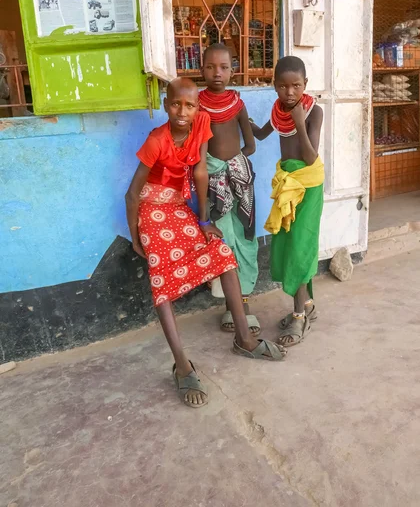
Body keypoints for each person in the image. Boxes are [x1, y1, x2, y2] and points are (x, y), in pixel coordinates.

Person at [126, 77, 286, 409]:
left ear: (198, 107)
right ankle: (182, 366)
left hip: (179, 208)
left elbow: (200, 173)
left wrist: (203, 221)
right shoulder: (157, 140)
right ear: (165, 105)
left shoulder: (200, 124)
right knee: (161, 280)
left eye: (189, 105)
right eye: (175, 104)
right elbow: (132, 192)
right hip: (152, 210)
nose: (182, 111)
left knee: (222, 252)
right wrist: (135, 237)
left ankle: (243, 338)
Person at [250, 56, 324, 348]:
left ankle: (298, 315)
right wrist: (244, 122)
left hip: (307, 185)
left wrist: (300, 124)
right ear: (274, 86)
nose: (289, 92)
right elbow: (263, 133)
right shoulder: (279, 110)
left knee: (300, 247)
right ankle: (306, 306)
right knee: (285, 242)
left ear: (305, 84)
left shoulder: (313, 111)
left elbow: (309, 156)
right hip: (286, 182)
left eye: (295, 85)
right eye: (282, 86)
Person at [198, 44, 260, 336]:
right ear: (201, 70)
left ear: (232, 71)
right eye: (210, 67)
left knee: (246, 237)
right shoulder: (197, 105)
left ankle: (244, 303)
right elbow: (196, 151)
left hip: (239, 182)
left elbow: (250, 144)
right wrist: (215, 168)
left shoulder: (237, 103)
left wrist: (236, 166)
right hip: (213, 184)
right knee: (222, 242)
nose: (217, 73)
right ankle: (228, 307)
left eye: (223, 67)